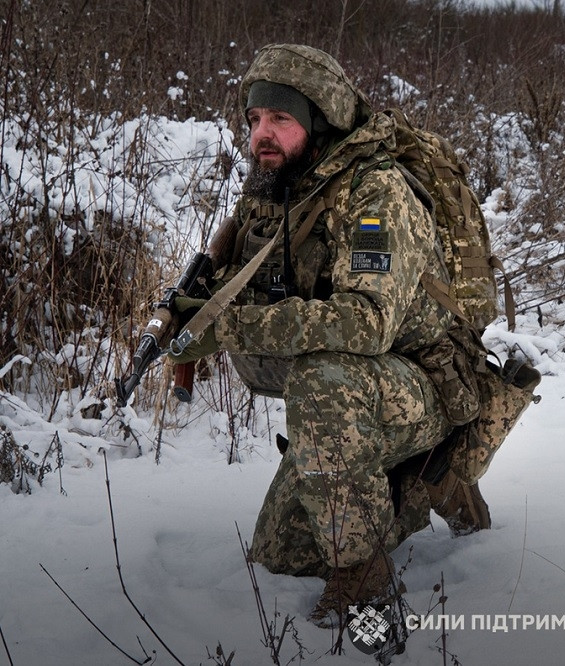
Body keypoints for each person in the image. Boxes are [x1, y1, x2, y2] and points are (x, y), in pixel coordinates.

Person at [169, 43, 490, 627]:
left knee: (322, 379)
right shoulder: (281, 182)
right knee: (281, 556)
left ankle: (364, 575)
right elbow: (237, 276)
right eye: (254, 120)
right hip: (353, 391)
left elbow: (366, 322)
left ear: (320, 121)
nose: (260, 135)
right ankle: (422, 485)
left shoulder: (375, 195)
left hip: (421, 378)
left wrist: (231, 327)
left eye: (280, 119)